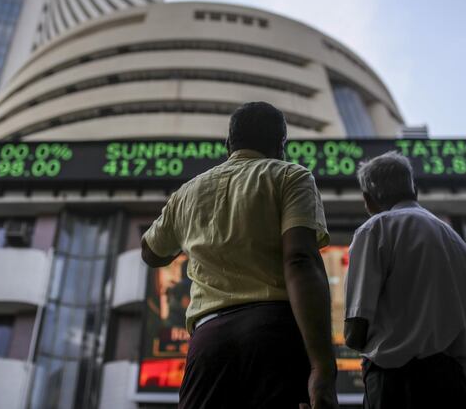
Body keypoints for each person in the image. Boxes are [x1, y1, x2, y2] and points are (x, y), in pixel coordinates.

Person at [141, 102, 338, 409]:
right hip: (274, 335)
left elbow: (151, 253)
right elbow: (300, 260)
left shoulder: (187, 193)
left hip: (207, 343)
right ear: (280, 145)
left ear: (227, 145)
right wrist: (322, 366)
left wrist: (191, 233)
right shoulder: (291, 177)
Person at [344, 151, 466, 409]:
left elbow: (355, 328)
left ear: (367, 199)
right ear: (415, 190)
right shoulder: (457, 242)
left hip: (396, 385)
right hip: (457, 388)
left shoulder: (375, 229)